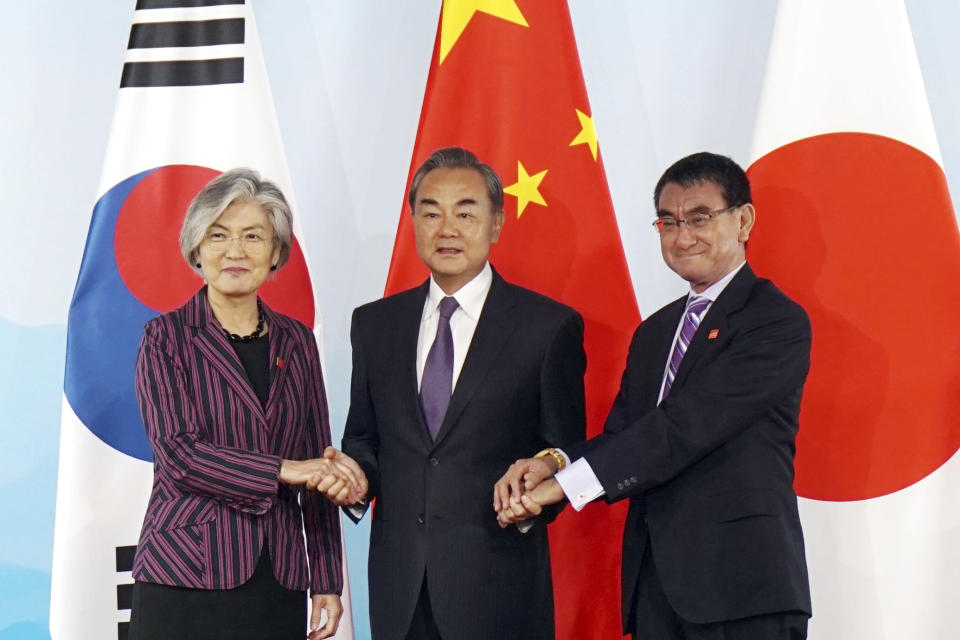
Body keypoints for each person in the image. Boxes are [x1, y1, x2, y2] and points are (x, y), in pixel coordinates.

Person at [495, 152, 812, 639]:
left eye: (700, 218)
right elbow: (626, 434)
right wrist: (556, 462)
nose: (683, 236)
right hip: (655, 588)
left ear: (743, 220)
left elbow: (685, 427)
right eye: (669, 221)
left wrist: (568, 486)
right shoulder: (654, 333)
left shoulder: (774, 321)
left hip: (742, 590)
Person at [329, 146, 586, 640]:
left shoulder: (546, 327)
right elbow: (364, 437)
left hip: (498, 585)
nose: (447, 228)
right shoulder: (375, 324)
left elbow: (565, 451)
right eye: (431, 212)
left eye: (465, 212)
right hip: (399, 589)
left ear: (495, 224)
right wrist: (357, 477)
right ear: (413, 222)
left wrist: (534, 493)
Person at [128, 168, 363, 640]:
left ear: (275, 252)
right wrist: (281, 468)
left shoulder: (297, 341)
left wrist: (327, 578)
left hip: (278, 576)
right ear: (197, 248)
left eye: (253, 236)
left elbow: (318, 459)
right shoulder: (165, 337)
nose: (235, 251)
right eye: (219, 235)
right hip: (185, 571)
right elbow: (179, 456)